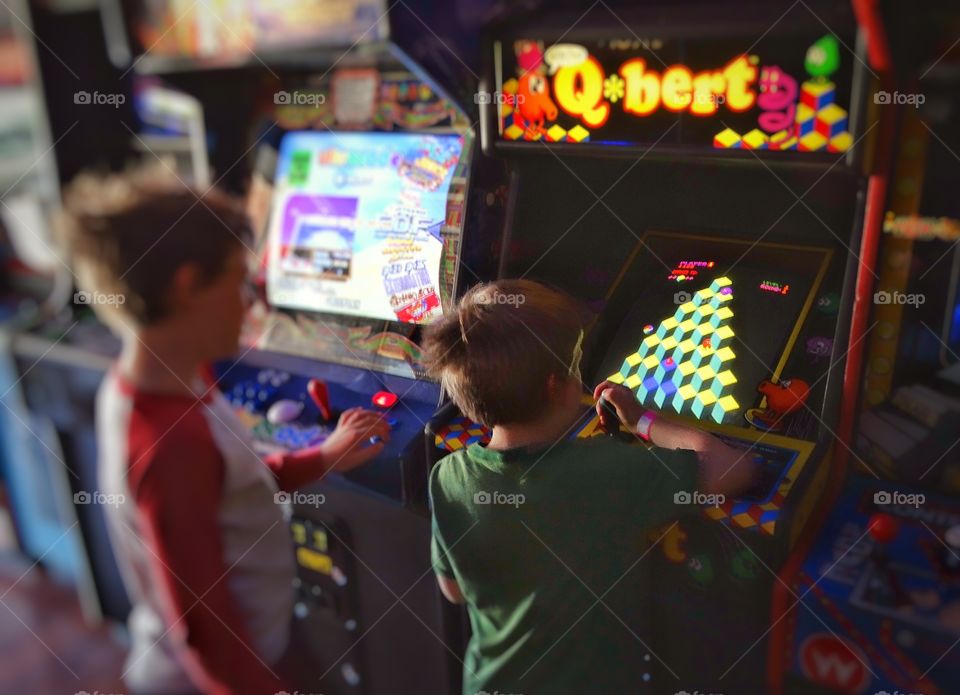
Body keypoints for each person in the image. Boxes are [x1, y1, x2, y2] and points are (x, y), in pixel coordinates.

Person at [63, 168, 389, 694]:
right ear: (188, 286)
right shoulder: (169, 442)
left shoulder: (166, 378)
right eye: (238, 279)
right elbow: (204, 628)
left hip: (254, 647)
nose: (251, 304)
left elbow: (231, 488)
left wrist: (320, 458)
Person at [422, 279, 756, 694]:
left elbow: (453, 591)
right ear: (553, 386)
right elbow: (734, 468)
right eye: (575, 365)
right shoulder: (607, 472)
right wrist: (643, 421)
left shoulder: (449, 475)